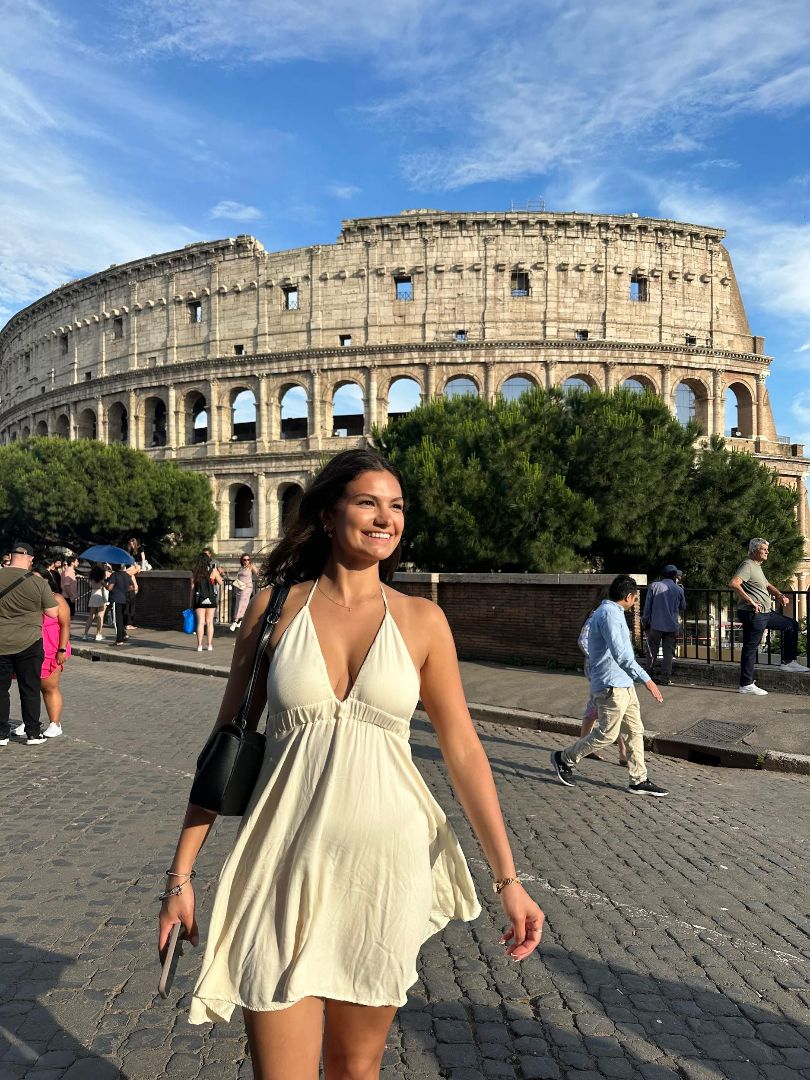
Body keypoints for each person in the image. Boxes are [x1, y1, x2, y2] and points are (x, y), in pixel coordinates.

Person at [158, 449, 544, 1078]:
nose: (385, 518)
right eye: (368, 502)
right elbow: (226, 742)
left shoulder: (423, 620)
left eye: (396, 506)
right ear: (330, 514)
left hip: (383, 873)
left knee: (355, 1069)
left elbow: (465, 751)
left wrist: (509, 880)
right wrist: (180, 876)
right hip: (281, 863)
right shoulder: (274, 607)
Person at [551, 574, 668, 796]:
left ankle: (638, 779)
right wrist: (647, 679)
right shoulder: (608, 615)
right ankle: (564, 758)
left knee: (635, 731)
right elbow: (622, 655)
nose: (635, 603)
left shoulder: (612, 613)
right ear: (629, 596)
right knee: (607, 734)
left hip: (623, 683)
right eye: (635, 598)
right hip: (611, 685)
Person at [730, 537, 808, 694]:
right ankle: (746, 684)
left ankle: (788, 662)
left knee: (791, 625)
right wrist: (750, 600)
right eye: (764, 549)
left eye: (767, 549)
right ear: (754, 550)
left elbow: (767, 585)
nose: (767, 551)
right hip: (754, 613)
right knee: (751, 647)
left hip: (765, 613)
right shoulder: (748, 565)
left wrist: (780, 595)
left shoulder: (757, 567)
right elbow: (734, 583)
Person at [0, 542, 58, 747]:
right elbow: (53, 613)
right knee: (30, 689)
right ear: (29, 558)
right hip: (29, 642)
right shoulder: (37, 582)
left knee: (0, 689)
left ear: (10, 556)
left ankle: (1, 734)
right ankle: (33, 733)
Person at [13, 562, 71, 740]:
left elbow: (65, 625)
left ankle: (55, 723)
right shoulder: (26, 599)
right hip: (28, 647)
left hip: (52, 648)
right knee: (29, 687)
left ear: (47, 580)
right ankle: (31, 721)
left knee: (49, 687)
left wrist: (61, 649)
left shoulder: (57, 599)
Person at [577, 601, 627, 766]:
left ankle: (585, 745)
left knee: (598, 708)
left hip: (610, 672)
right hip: (602, 672)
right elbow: (583, 640)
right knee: (613, 709)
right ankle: (622, 752)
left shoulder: (610, 616)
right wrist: (598, 657)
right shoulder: (598, 617)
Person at [641, 564, 686, 686]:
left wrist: (645, 621)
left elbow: (647, 607)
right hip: (672, 626)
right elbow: (683, 607)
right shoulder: (679, 589)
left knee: (652, 649)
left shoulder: (654, 586)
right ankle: (665, 677)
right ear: (674, 576)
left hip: (656, 625)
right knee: (668, 652)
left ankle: (649, 673)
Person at [191, 552, 223, 651]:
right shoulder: (213, 571)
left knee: (200, 622)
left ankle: (199, 646)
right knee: (209, 622)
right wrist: (217, 573)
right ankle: (209, 645)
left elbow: (192, 588)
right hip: (210, 599)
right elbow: (221, 582)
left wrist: (190, 603)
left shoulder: (195, 572)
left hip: (199, 599)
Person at [229, 553, 256, 632]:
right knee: (239, 604)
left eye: (248, 559)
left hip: (247, 588)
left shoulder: (251, 566)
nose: (246, 561)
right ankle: (241, 620)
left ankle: (235, 621)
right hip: (239, 587)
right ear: (242, 560)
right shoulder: (241, 568)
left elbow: (258, 573)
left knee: (241, 603)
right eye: (245, 559)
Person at [106, 564, 132, 646]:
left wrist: (103, 584)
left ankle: (119, 640)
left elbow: (110, 588)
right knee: (120, 619)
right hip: (125, 600)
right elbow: (132, 587)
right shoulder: (128, 575)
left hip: (116, 600)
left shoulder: (114, 575)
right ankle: (124, 635)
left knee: (117, 621)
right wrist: (124, 590)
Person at [84, 564, 108, 640]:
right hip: (100, 594)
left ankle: (85, 634)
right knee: (101, 615)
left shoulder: (91, 576)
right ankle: (98, 634)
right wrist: (107, 569)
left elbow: (90, 585)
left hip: (93, 594)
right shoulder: (102, 576)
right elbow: (105, 585)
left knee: (91, 615)